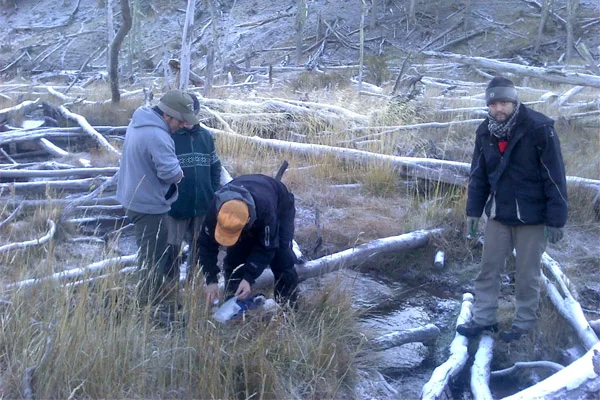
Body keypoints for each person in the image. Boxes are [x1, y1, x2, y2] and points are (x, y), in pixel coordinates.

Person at [456, 76, 568, 342]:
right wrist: (473, 211)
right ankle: (484, 320)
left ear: (514, 100)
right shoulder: (484, 131)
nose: (499, 109)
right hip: (498, 213)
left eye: (504, 102)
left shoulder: (540, 128)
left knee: (527, 273)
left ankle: (523, 325)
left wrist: (556, 220)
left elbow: (555, 177)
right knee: (488, 269)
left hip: (532, 216)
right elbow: (479, 175)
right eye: (493, 103)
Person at [116, 89, 198, 306]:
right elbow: (172, 174)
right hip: (148, 206)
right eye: (180, 120)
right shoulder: (158, 135)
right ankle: (145, 307)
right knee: (153, 261)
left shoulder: (138, 122)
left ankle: (150, 297)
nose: (182, 125)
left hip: (133, 198)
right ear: (167, 115)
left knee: (148, 255)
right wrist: (180, 173)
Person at [197, 174, 298, 307]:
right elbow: (205, 245)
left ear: (248, 222)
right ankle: (233, 306)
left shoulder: (266, 212)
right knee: (235, 260)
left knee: (282, 259)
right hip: (251, 197)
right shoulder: (216, 208)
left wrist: (249, 278)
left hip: (280, 205)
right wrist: (211, 280)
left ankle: (287, 309)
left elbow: (267, 248)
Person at [166, 93, 222, 284]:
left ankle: (192, 283)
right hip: (176, 206)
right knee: (172, 248)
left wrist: (212, 192)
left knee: (199, 247)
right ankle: (170, 286)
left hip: (203, 206)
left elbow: (216, 167)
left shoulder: (206, 136)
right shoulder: (170, 136)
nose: (186, 122)